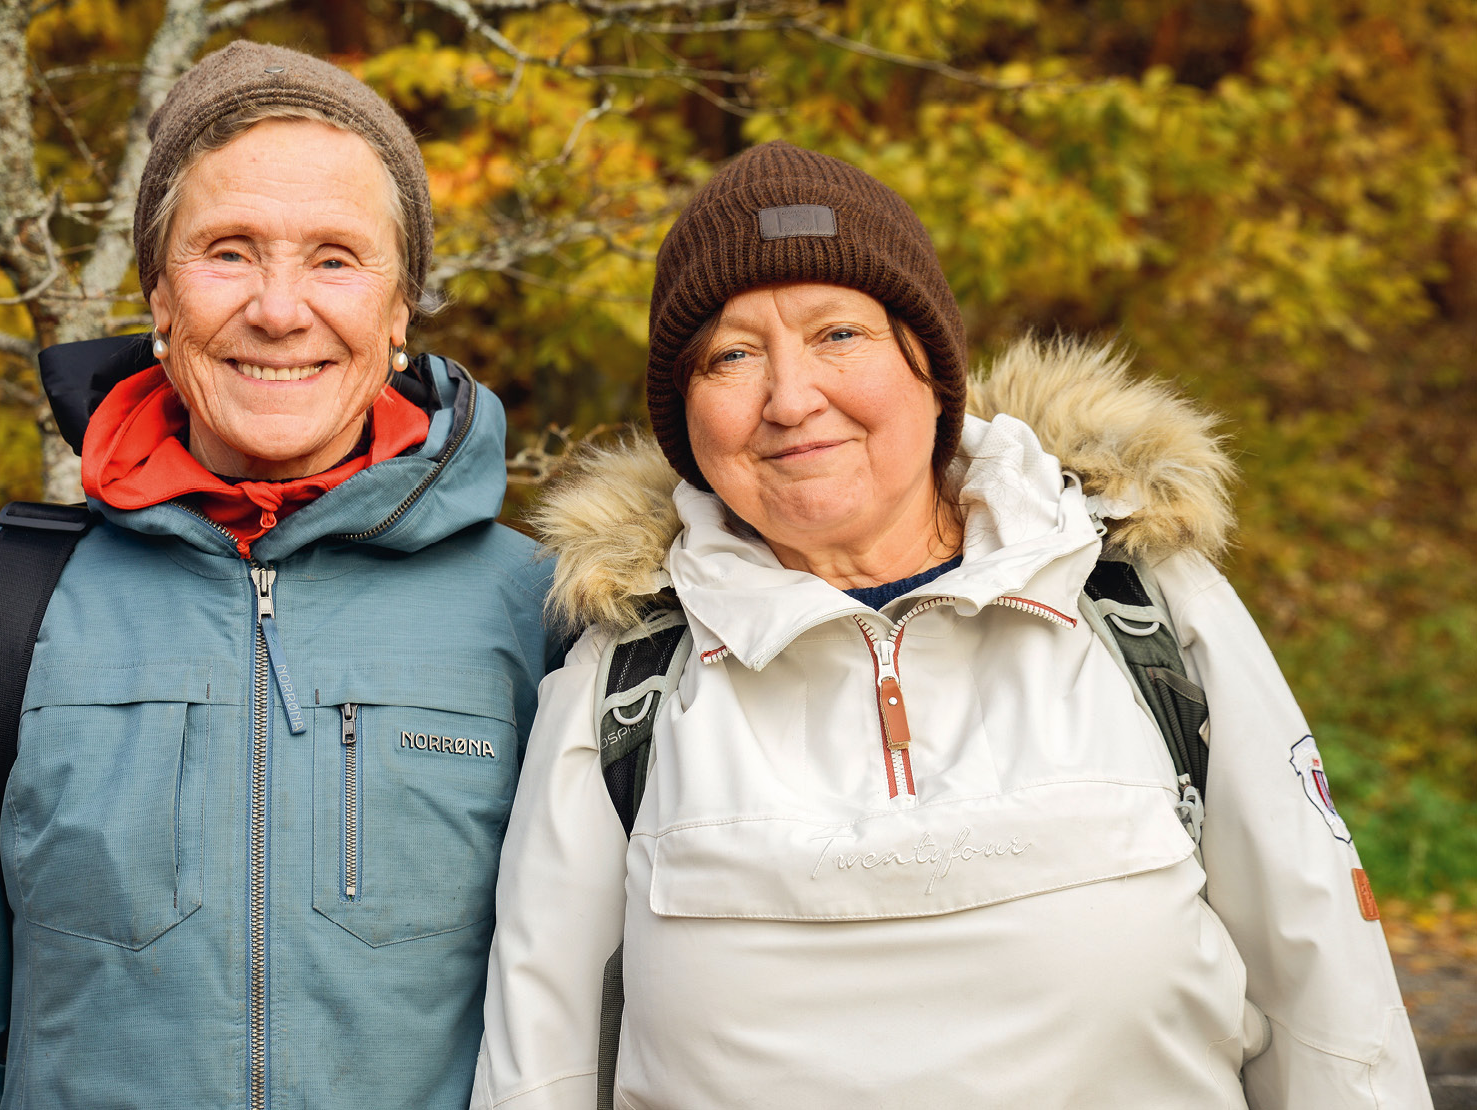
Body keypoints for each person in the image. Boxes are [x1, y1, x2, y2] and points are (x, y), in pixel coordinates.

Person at [472, 141, 1430, 1109]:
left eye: (837, 334)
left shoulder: (1139, 607)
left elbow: (1332, 1011)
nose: (790, 399)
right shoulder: (626, 679)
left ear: (929, 366)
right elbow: (539, 1062)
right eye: (732, 355)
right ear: (686, 416)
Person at [0, 42, 554, 1109]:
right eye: (228, 252)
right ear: (159, 295)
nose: (279, 310)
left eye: (336, 259)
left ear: (399, 310)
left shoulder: (537, 612)